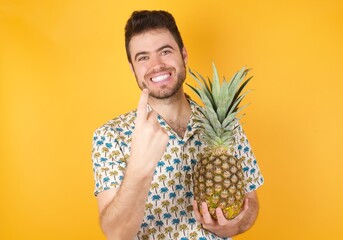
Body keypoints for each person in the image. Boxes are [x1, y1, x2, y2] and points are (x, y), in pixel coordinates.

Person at [91, 10, 264, 240]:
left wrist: (234, 225)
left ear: (183, 55)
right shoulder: (111, 136)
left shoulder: (225, 124)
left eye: (165, 51)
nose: (157, 65)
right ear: (133, 69)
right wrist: (139, 166)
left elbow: (251, 203)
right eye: (143, 57)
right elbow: (116, 233)